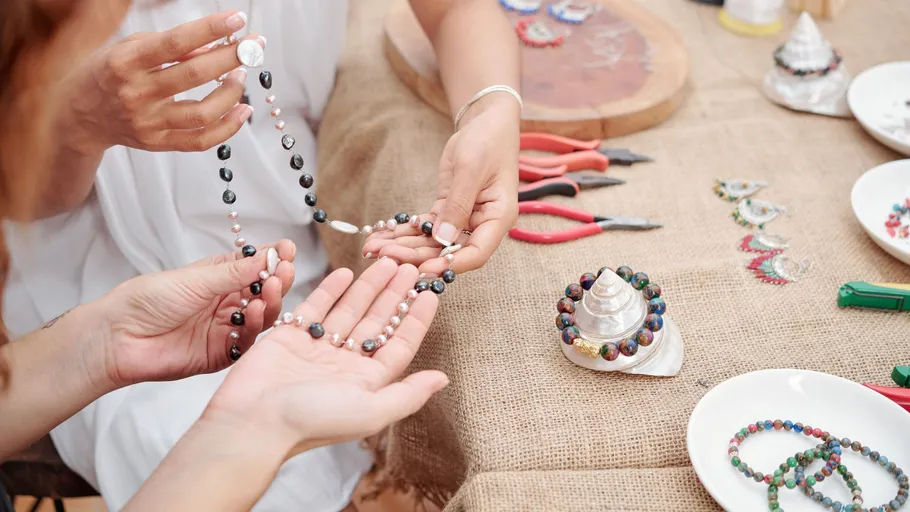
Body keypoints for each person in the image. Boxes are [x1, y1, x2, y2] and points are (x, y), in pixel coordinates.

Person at [2, 0, 521, 510]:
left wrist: (492, 108)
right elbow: (21, 193)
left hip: (253, 281)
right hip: (96, 287)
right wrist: (71, 125)